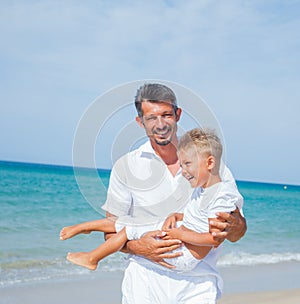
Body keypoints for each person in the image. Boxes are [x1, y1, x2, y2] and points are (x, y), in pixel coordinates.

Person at [66, 83, 247, 303]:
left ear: (178, 115)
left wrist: (235, 225)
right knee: (129, 226)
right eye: (151, 118)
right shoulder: (126, 166)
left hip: (198, 286)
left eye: (166, 115)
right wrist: (141, 248)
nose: (160, 124)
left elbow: (236, 233)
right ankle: (86, 232)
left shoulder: (212, 167)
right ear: (140, 122)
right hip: (143, 285)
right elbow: (112, 231)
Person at [60, 128, 243, 285]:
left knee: (130, 229)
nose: (184, 171)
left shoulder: (221, 195)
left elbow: (213, 239)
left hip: (183, 257)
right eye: (182, 165)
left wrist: (180, 234)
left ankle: (92, 257)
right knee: (133, 223)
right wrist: (178, 216)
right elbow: (199, 216)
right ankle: (85, 228)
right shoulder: (204, 187)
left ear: (210, 163)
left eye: (187, 164)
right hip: (182, 244)